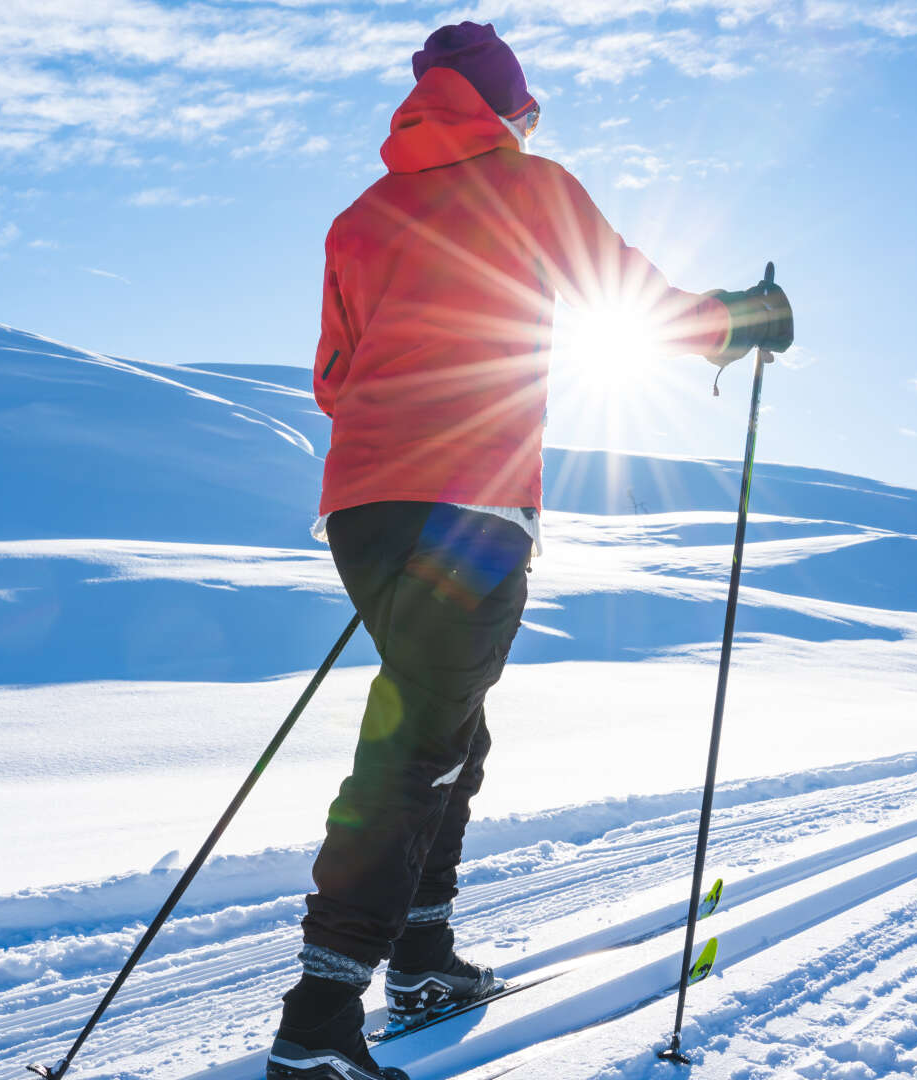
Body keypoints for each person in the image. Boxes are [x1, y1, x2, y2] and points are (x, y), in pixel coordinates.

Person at [267, 22, 792, 1080]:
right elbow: (634, 306)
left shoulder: (359, 218)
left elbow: (334, 376)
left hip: (363, 508)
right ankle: (322, 1017)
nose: (528, 127)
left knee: (448, 728)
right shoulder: (527, 185)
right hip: (469, 506)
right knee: (419, 748)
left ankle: (421, 956)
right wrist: (750, 319)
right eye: (528, 111)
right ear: (505, 109)